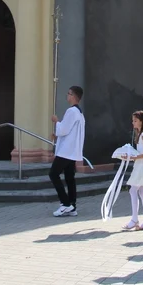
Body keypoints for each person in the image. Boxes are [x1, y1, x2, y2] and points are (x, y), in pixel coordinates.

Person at [50, 86, 85, 217]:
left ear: (74, 96)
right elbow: (69, 131)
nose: (67, 95)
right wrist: (57, 134)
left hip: (66, 151)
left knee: (53, 174)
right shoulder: (79, 113)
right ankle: (72, 205)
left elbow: (64, 129)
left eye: (69, 93)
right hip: (72, 150)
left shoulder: (71, 111)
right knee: (69, 177)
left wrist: (56, 121)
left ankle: (65, 204)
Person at [121, 111, 143, 231]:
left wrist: (134, 157)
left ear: (142, 121)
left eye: (135, 120)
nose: (133, 122)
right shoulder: (142, 134)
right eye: (133, 120)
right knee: (142, 191)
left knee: (133, 190)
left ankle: (135, 220)